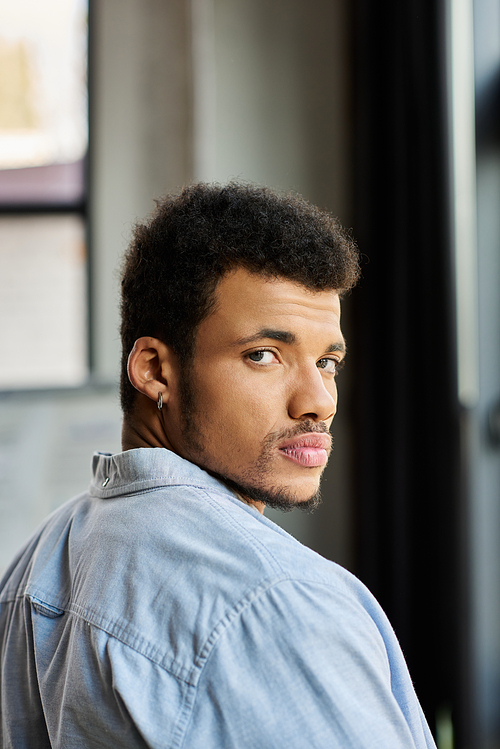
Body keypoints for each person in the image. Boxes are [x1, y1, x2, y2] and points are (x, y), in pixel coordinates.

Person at [0, 183, 436, 748]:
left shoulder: (35, 566)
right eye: (263, 355)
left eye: (328, 361)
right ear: (155, 369)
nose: (319, 401)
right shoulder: (276, 598)